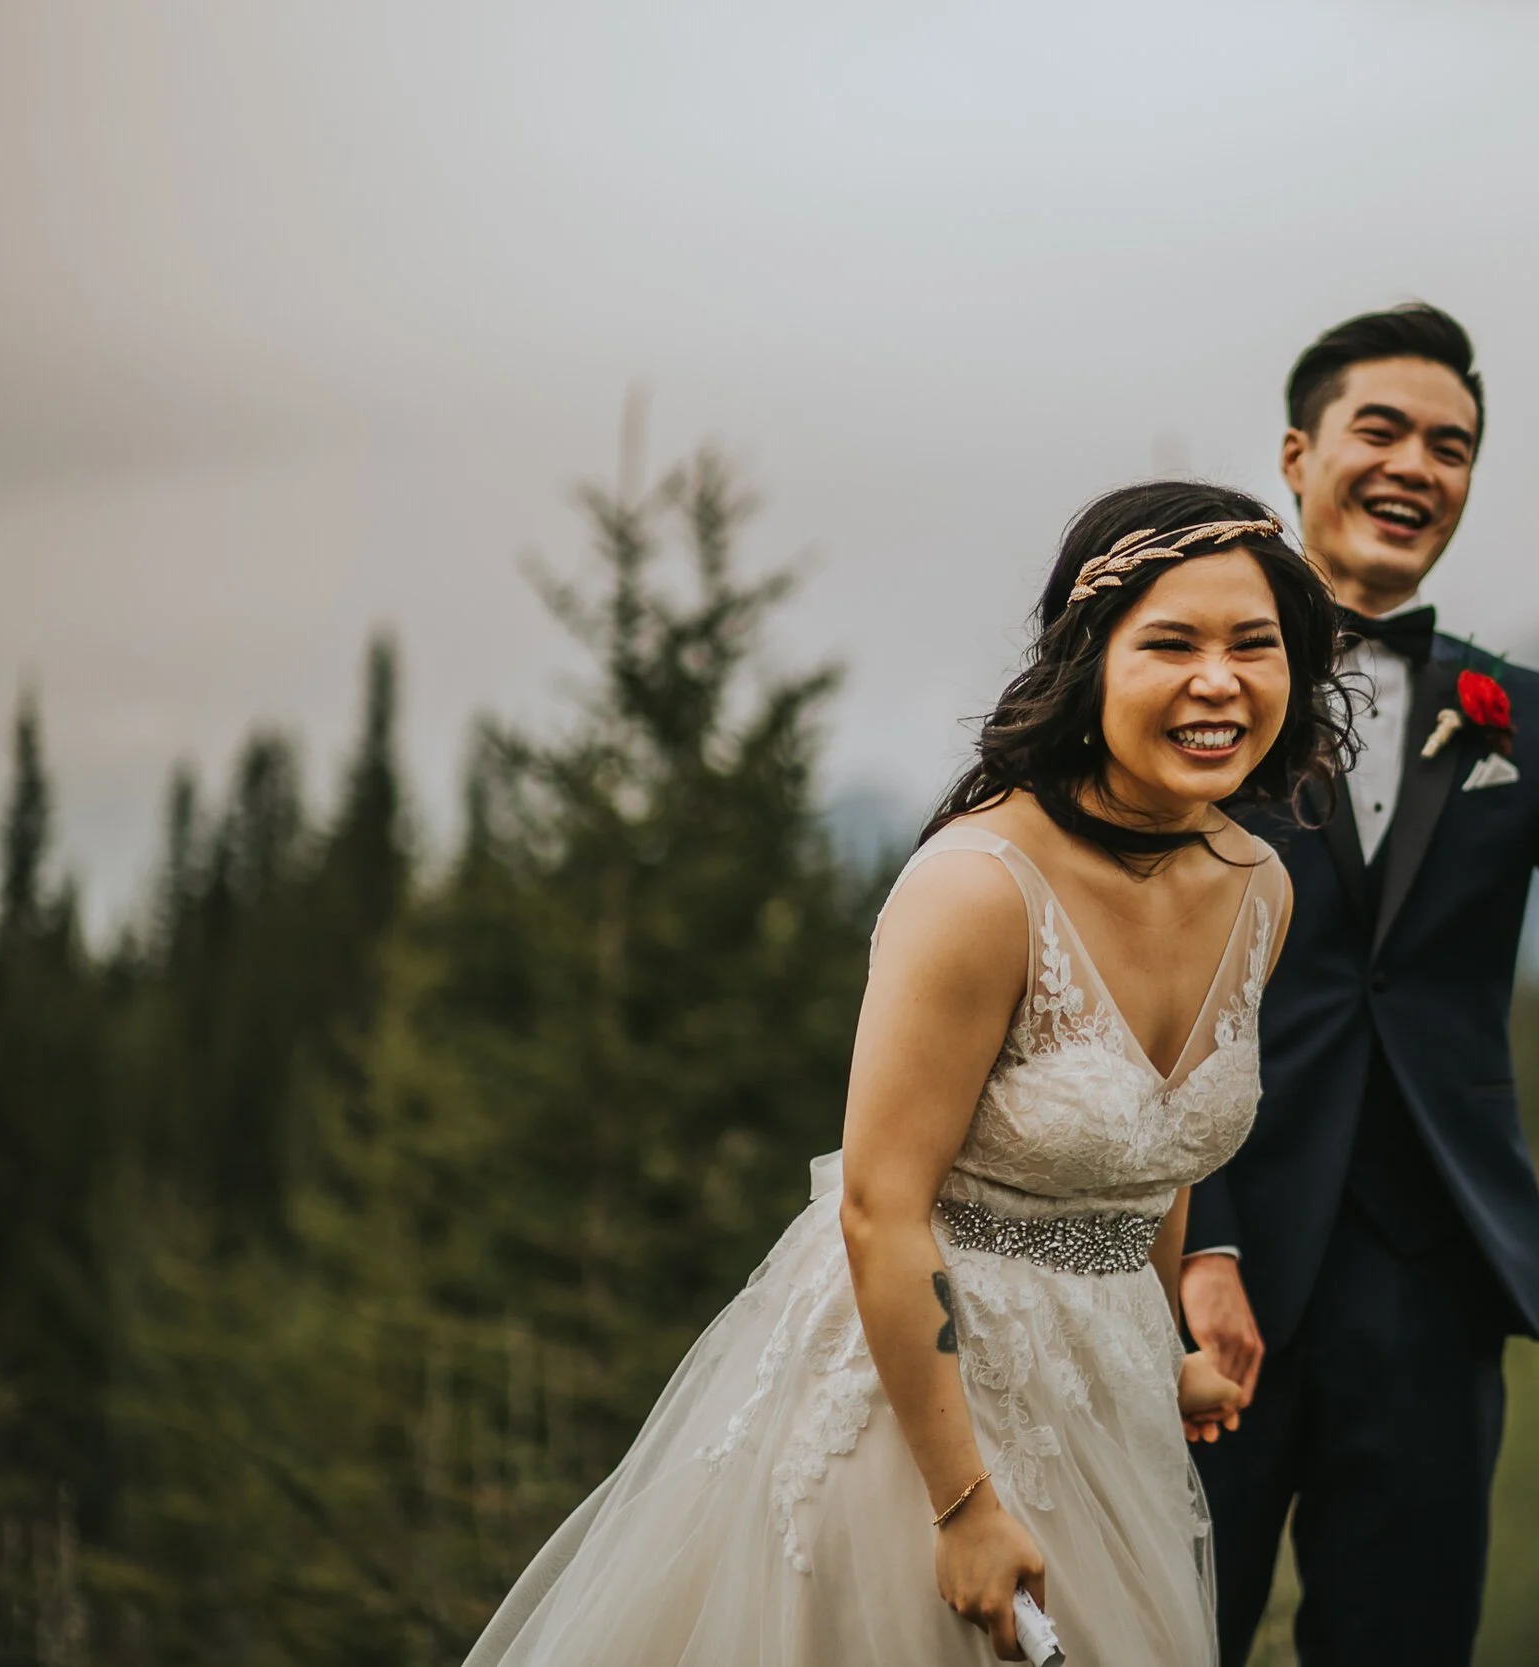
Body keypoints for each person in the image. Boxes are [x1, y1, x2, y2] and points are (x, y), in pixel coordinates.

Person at [462, 481, 1356, 1665]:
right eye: (1171, 643)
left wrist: (1159, 1346)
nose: (1219, 680)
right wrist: (963, 1502)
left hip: (1106, 1416)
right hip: (918, 1407)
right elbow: (882, 1208)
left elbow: (1156, 1147)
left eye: (1256, 644)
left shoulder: (1257, 886)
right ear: (1087, 663)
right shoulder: (977, 886)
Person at [1182, 304, 1539, 1665]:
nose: (1417, 465)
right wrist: (1201, 1238)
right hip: (1209, 1272)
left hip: (1434, 1283)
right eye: (1382, 430)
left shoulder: (1526, 715)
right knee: (1161, 1630)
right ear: (1299, 454)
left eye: (1453, 445)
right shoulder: (1197, 679)